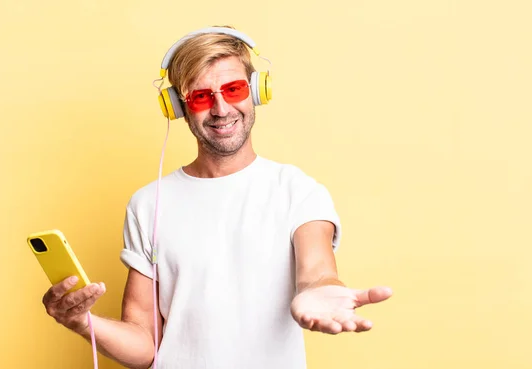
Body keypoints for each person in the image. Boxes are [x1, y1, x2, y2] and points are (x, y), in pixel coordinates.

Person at [41, 26, 393, 369]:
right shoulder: (148, 204)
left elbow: (317, 271)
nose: (221, 108)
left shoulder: (297, 190)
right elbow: (145, 344)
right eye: (201, 96)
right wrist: (81, 323)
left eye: (234, 88)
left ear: (257, 91)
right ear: (177, 106)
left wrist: (320, 291)